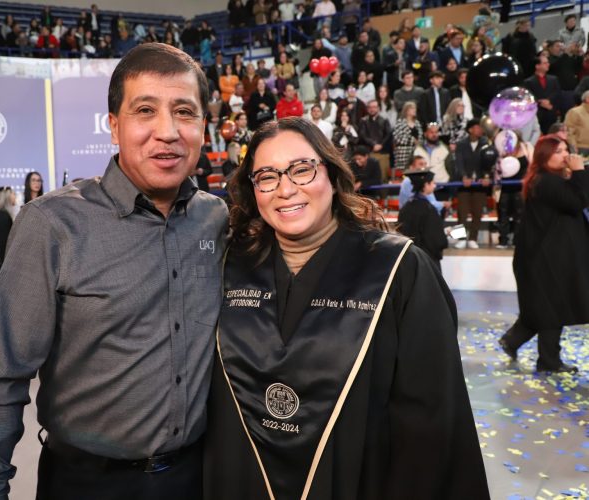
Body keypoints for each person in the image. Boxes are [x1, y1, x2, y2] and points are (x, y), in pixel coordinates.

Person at [0, 43, 229, 499]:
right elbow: (1, 374)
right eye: (145, 110)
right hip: (85, 484)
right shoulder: (52, 224)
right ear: (114, 126)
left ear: (204, 126)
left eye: (184, 112)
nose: (167, 132)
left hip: (195, 479)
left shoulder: (215, 218)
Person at [204, 116, 489, 500]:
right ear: (253, 190)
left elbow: (431, 423)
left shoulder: (398, 269)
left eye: (301, 170)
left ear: (332, 174)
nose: (285, 189)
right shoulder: (231, 265)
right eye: (267, 177)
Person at [499, 135, 589, 373]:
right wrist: (579, 172)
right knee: (551, 308)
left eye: (565, 150)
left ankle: (512, 341)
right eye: (558, 151)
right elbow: (577, 201)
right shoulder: (546, 181)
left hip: (546, 256)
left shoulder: (549, 180)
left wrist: (574, 176)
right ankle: (548, 361)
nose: (565, 155)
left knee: (542, 307)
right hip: (542, 258)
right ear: (543, 156)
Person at [454, 119, 496, 249]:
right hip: (464, 185)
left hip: (480, 184)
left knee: (477, 213)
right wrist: (463, 176)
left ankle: (473, 238)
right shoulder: (461, 144)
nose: (480, 130)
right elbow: (459, 162)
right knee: (462, 213)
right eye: (477, 127)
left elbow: (490, 162)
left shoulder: (486, 143)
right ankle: (460, 239)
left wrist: (487, 176)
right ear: (470, 129)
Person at [397, 168, 448, 268]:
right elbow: (436, 239)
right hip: (426, 260)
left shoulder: (405, 208)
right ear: (425, 185)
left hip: (408, 259)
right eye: (432, 183)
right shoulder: (428, 209)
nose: (434, 185)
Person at [495, 133, 531, 248]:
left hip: (520, 187)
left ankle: (518, 240)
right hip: (505, 187)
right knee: (503, 215)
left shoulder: (526, 147)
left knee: (520, 215)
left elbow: (532, 165)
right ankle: (503, 240)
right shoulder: (502, 149)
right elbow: (497, 169)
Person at [392, 101, 423, 170]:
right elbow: (397, 138)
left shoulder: (417, 123)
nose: (414, 110)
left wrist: (418, 143)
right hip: (403, 154)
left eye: (415, 108)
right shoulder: (400, 123)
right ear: (406, 111)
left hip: (415, 152)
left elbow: (420, 137)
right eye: (412, 108)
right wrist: (413, 140)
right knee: (403, 172)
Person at [565, 90, 589, 156]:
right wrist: (573, 147)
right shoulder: (574, 112)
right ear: (587, 99)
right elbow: (569, 131)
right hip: (581, 147)